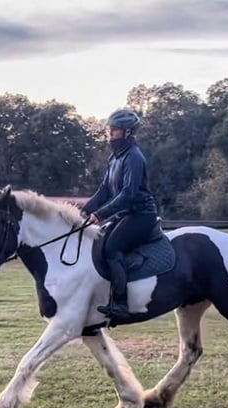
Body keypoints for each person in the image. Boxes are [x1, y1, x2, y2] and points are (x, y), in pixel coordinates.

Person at [82, 109, 159, 320]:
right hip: (124, 215)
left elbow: (128, 193)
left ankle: (121, 304)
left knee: (112, 248)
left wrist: (100, 214)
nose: (110, 134)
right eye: (110, 130)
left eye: (114, 130)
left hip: (141, 215)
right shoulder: (115, 157)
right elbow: (104, 190)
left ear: (127, 132)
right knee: (99, 243)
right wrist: (84, 210)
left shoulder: (134, 157)